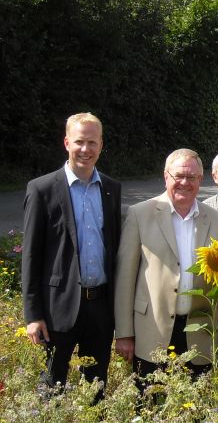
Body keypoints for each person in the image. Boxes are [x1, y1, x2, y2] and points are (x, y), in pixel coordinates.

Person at [21, 112, 121, 398]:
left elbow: (113, 249)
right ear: (67, 143)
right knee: (51, 389)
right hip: (58, 308)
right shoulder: (42, 189)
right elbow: (31, 257)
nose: (86, 150)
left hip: (100, 307)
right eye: (79, 142)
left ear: (101, 145)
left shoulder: (111, 189)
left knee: (96, 390)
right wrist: (33, 315)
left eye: (92, 142)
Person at [114, 149, 218, 381]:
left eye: (192, 177)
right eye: (179, 176)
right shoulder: (140, 214)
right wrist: (124, 334)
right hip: (151, 331)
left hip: (199, 334)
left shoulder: (217, 220)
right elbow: (125, 278)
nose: (185, 183)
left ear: (201, 179)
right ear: (166, 176)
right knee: (148, 405)